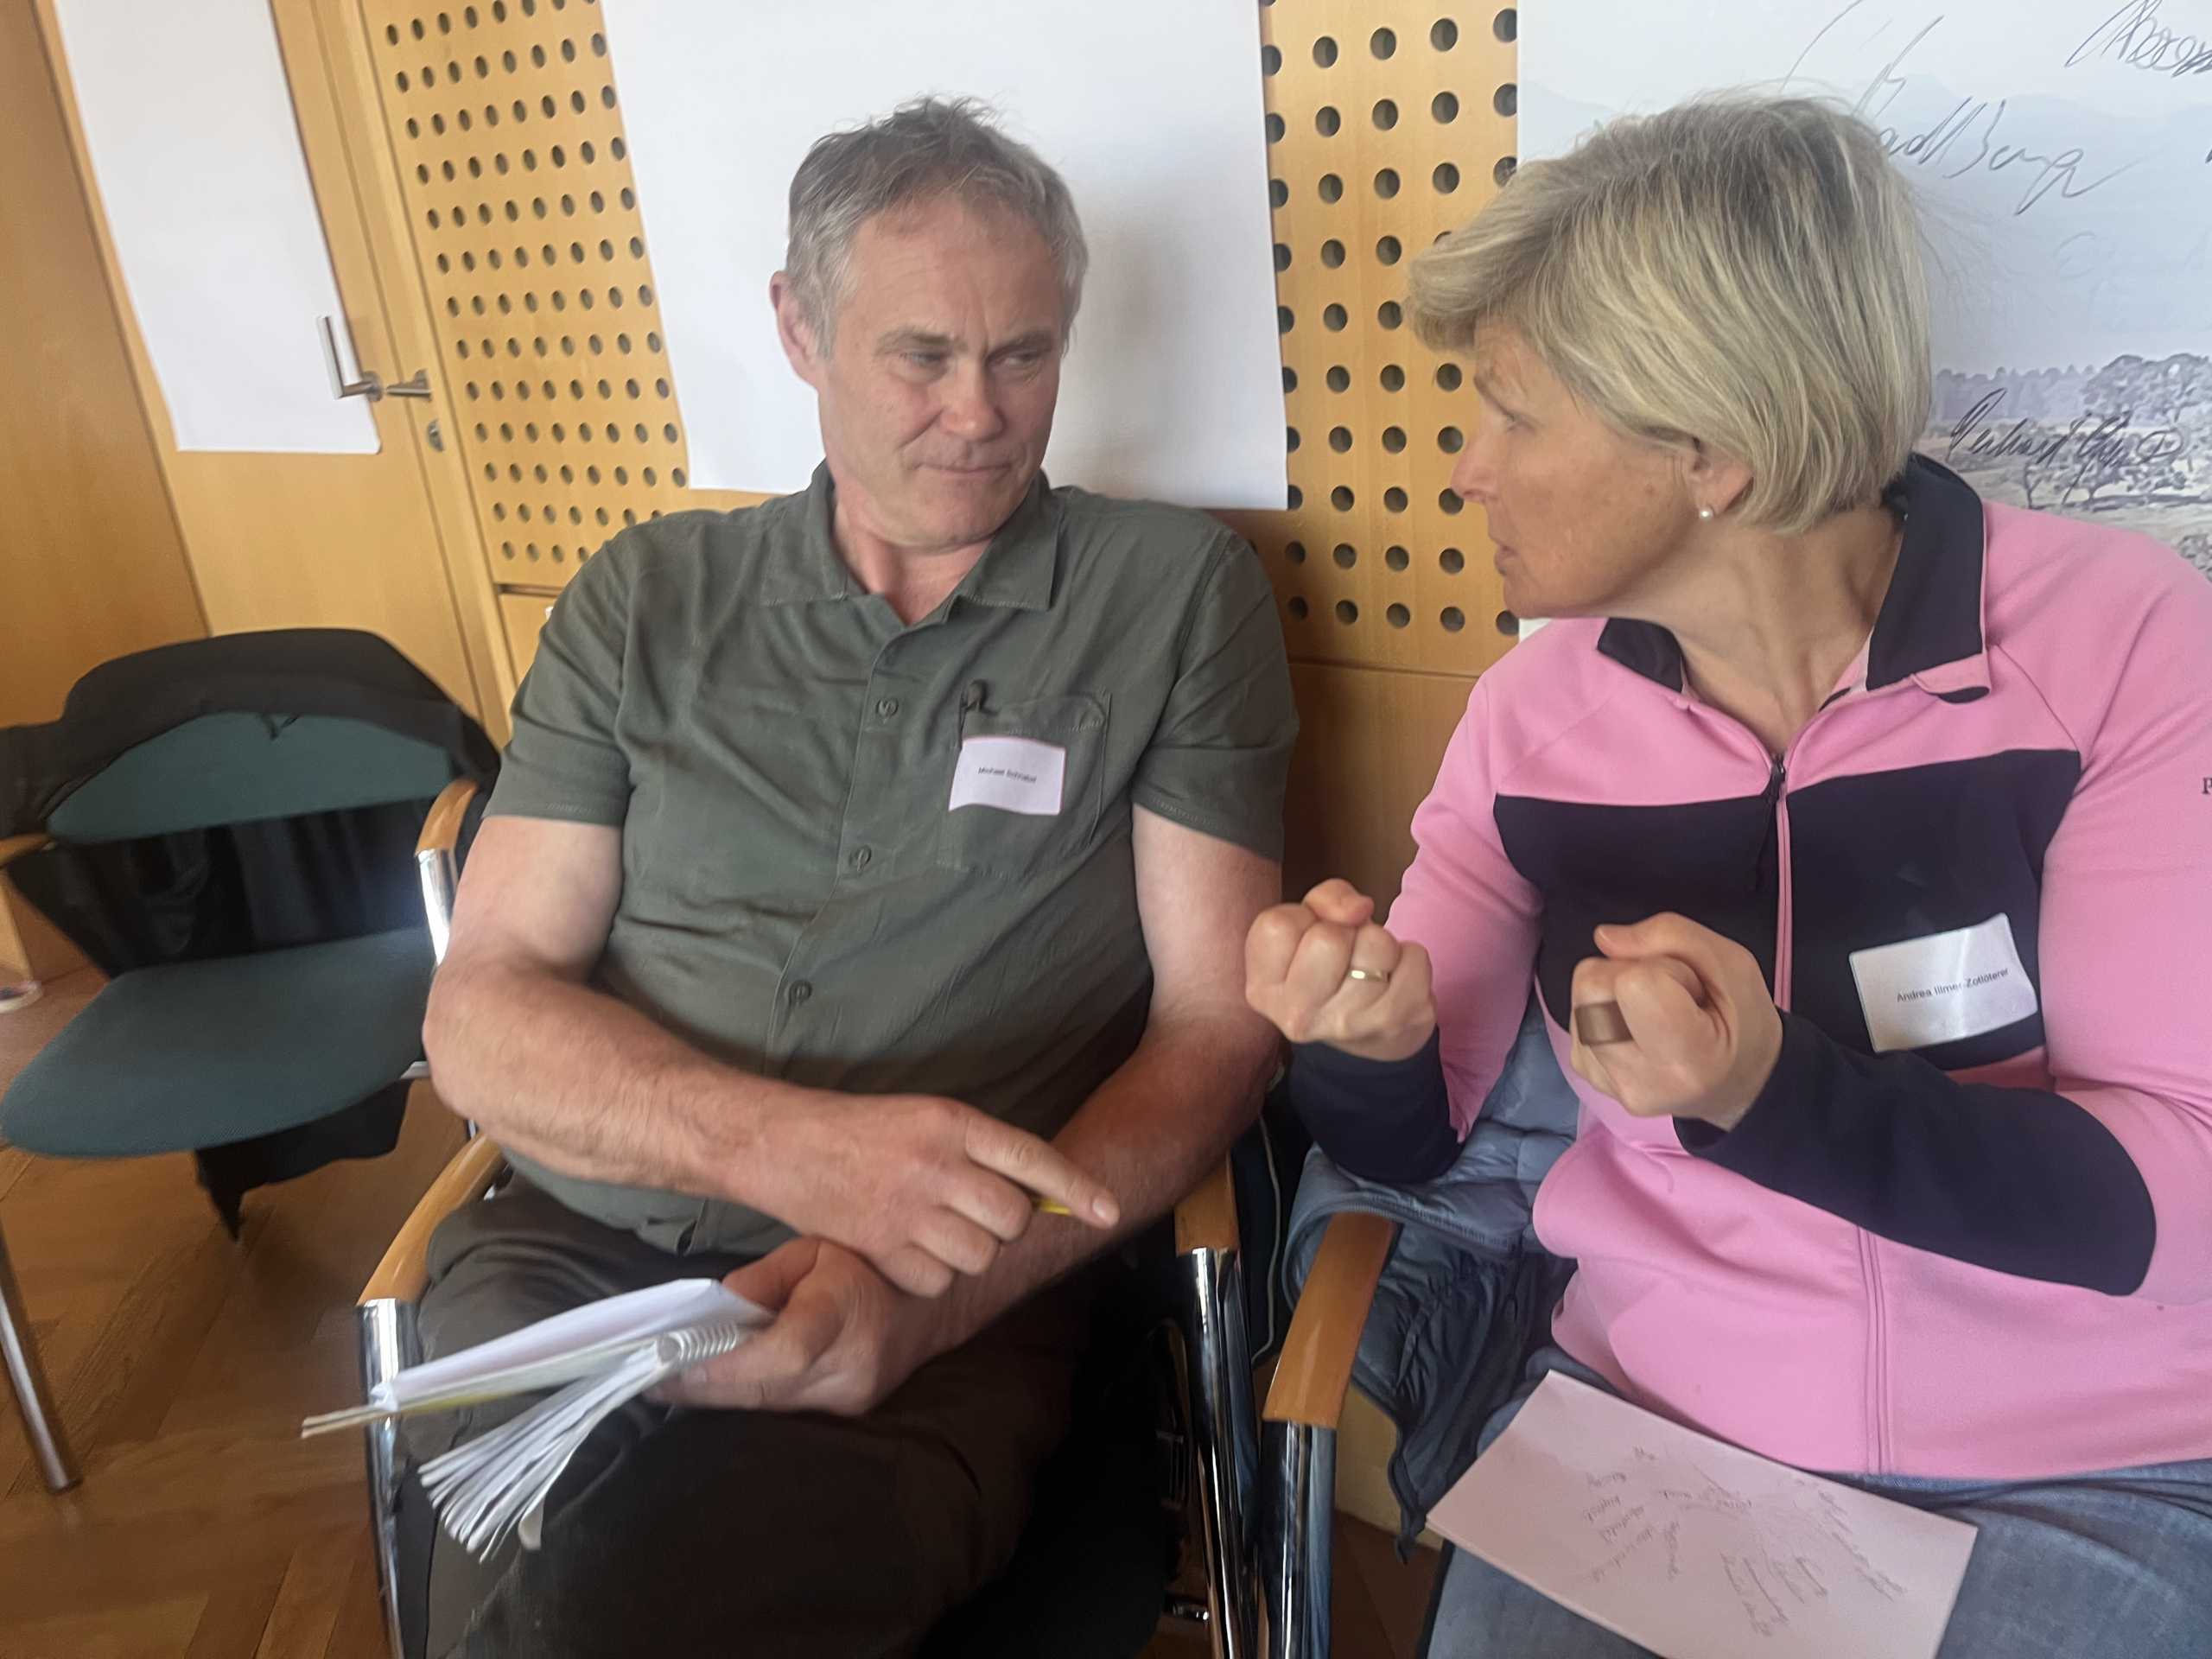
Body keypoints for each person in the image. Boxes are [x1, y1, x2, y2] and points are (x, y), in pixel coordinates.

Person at [1245, 95, 2212, 1658]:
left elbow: (2182, 1196)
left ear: (1710, 452)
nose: (1467, 470)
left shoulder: (2125, 644)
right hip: (1658, 1433)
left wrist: (1771, 1096)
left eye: (1512, 415)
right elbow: (1411, 1141)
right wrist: (1357, 1039)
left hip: (2088, 1469)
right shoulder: (1532, 719)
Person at [411, 97, 1295, 1658]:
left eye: (1025, 354)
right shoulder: (642, 599)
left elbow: (1219, 1032)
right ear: (799, 329)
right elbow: (480, 1013)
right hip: (575, 1260)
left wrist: (944, 1295)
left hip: (945, 1283)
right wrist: (796, 1152)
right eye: (921, 355)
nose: (980, 412)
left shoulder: (1171, 599)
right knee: (546, 1596)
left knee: (617, 1615)